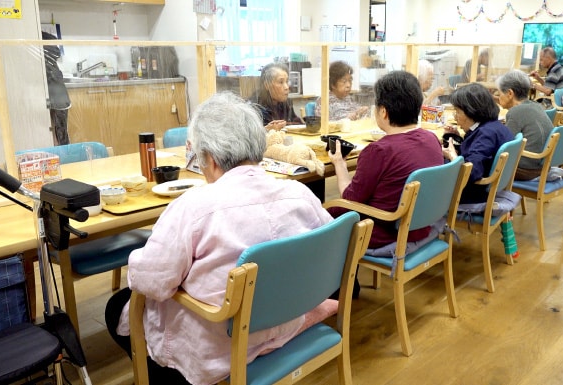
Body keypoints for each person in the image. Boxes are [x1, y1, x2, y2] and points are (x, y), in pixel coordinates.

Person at [105, 91, 333, 385]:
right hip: (285, 322)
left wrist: (141, 256)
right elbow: (329, 247)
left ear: (209, 158)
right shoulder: (299, 193)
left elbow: (151, 281)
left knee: (118, 306)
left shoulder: (194, 206)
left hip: (219, 349)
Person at [328, 70, 445, 251]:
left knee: (326, 213)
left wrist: (340, 164)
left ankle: (345, 278)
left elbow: (350, 199)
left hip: (388, 232)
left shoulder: (379, 150)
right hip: (422, 225)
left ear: (383, 111)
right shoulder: (432, 139)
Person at [443, 83, 514, 203]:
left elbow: (471, 173)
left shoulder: (486, 134)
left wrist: (452, 157)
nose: (455, 117)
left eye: (457, 112)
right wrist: (459, 138)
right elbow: (477, 151)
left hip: (473, 194)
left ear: (471, 111)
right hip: (489, 189)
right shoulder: (493, 126)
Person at [496, 69, 553, 181]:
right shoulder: (536, 105)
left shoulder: (515, 111)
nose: (498, 97)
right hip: (543, 166)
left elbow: (505, 146)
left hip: (527, 169)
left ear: (510, 93)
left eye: (499, 93)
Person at [250, 63, 302, 131]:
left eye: (287, 81)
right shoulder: (254, 107)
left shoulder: (286, 103)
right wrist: (267, 130)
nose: (287, 87)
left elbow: (297, 124)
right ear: (267, 85)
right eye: (281, 82)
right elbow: (250, 136)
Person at [42, 31, 71, 145]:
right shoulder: (51, 64)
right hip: (60, 100)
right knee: (59, 133)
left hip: (57, 100)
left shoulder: (48, 64)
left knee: (57, 133)